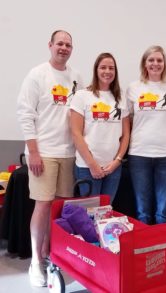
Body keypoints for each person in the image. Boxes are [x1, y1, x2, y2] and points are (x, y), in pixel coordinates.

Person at [17, 30, 84, 287]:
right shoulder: (37, 74)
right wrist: (32, 151)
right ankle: (36, 261)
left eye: (68, 44)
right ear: (50, 46)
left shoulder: (76, 77)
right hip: (43, 153)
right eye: (60, 43)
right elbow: (25, 114)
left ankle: (50, 254)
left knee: (60, 209)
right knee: (43, 206)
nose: (64, 48)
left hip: (68, 153)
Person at [126, 45, 166, 224]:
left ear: (164, 64)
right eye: (151, 60)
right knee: (142, 211)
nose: (155, 64)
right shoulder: (133, 87)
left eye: (159, 60)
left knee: (163, 211)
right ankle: (144, 251)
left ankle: (161, 251)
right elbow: (128, 119)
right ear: (144, 63)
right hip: (139, 155)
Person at [70, 53, 130, 202]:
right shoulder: (82, 96)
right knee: (89, 215)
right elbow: (76, 133)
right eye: (103, 67)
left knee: (106, 212)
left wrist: (117, 161)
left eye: (111, 68)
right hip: (87, 167)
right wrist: (92, 165)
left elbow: (126, 135)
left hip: (113, 168)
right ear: (96, 70)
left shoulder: (121, 98)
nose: (107, 71)